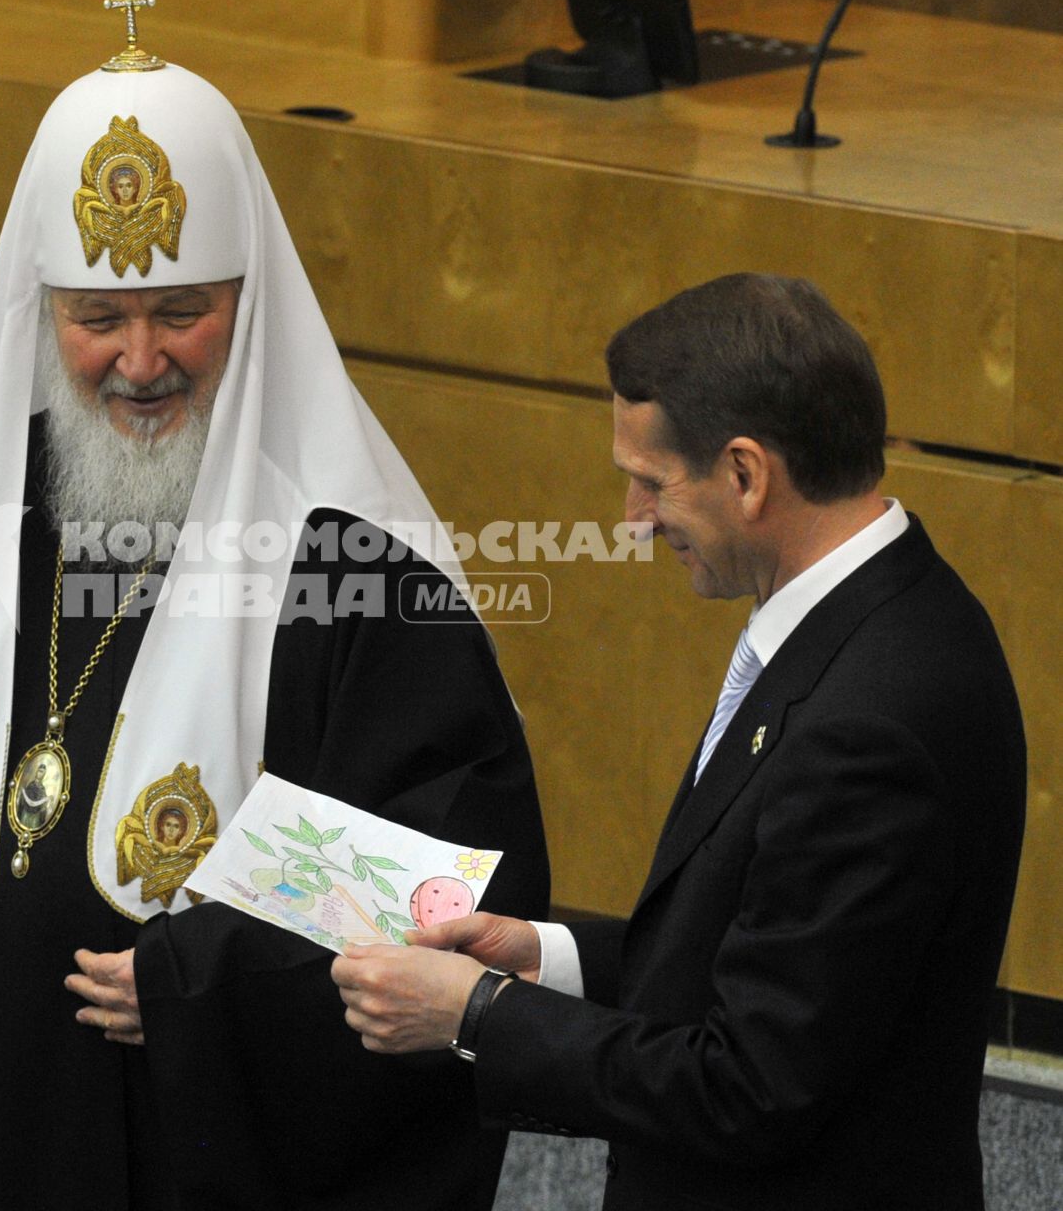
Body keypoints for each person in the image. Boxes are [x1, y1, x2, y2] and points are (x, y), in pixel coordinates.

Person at [0, 6, 548, 1211]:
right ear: (44, 320)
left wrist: (213, 986)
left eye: (179, 310)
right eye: (97, 320)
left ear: (251, 302)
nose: (140, 361)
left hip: (206, 1154)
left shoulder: (360, 573)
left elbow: (445, 890)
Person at [333, 274, 1026, 1210]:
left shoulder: (868, 724)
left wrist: (477, 1017)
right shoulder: (888, 616)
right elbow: (763, 952)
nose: (630, 517)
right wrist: (547, 960)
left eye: (652, 481)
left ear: (745, 474)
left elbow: (750, 1087)